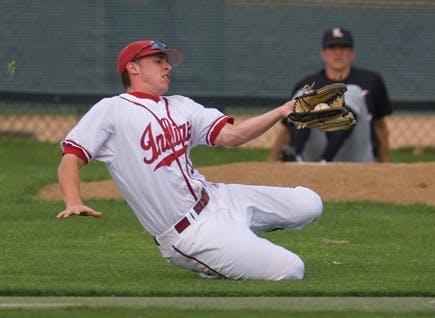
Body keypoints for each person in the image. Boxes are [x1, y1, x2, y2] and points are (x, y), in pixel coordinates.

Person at [55, 40, 323, 280]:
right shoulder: (111, 110)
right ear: (133, 68)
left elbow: (233, 136)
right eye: (158, 61)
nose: (167, 67)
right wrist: (74, 201)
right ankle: (224, 254)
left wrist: (283, 110)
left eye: (167, 62)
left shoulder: (181, 105)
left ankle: (236, 245)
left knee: (311, 203)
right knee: (291, 270)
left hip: (219, 198)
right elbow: (71, 158)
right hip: (190, 233)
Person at [269, 27, 392, 163]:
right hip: (314, 154)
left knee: (352, 92)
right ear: (323, 54)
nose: (338, 53)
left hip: (357, 156)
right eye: (332, 47)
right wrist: (271, 165)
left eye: (343, 47)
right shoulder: (307, 83)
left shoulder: (371, 80)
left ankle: (325, 161)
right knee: (304, 94)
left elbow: (380, 126)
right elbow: (287, 129)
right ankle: (298, 156)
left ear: (352, 53)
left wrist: (385, 164)